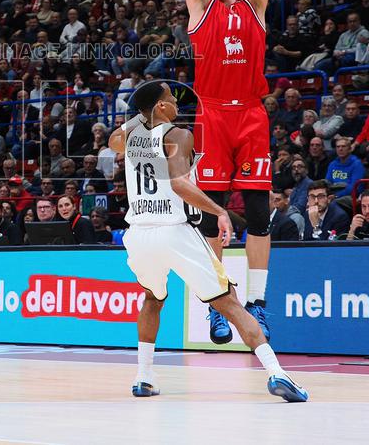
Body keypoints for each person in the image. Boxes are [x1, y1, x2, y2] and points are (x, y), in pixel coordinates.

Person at [108, 81, 307, 402]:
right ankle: (276, 373)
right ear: (160, 107)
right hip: (173, 230)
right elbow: (178, 184)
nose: (178, 105)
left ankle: (143, 376)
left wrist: (142, 113)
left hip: (139, 234)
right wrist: (219, 211)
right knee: (229, 302)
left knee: (152, 299)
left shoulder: (129, 136)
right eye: (171, 100)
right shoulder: (179, 135)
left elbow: (112, 140)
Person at [184, 0, 279, 344]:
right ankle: (219, 305)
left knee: (259, 213)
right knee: (211, 214)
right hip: (212, 113)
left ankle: (258, 303)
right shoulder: (199, 10)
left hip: (251, 114)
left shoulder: (254, 6)